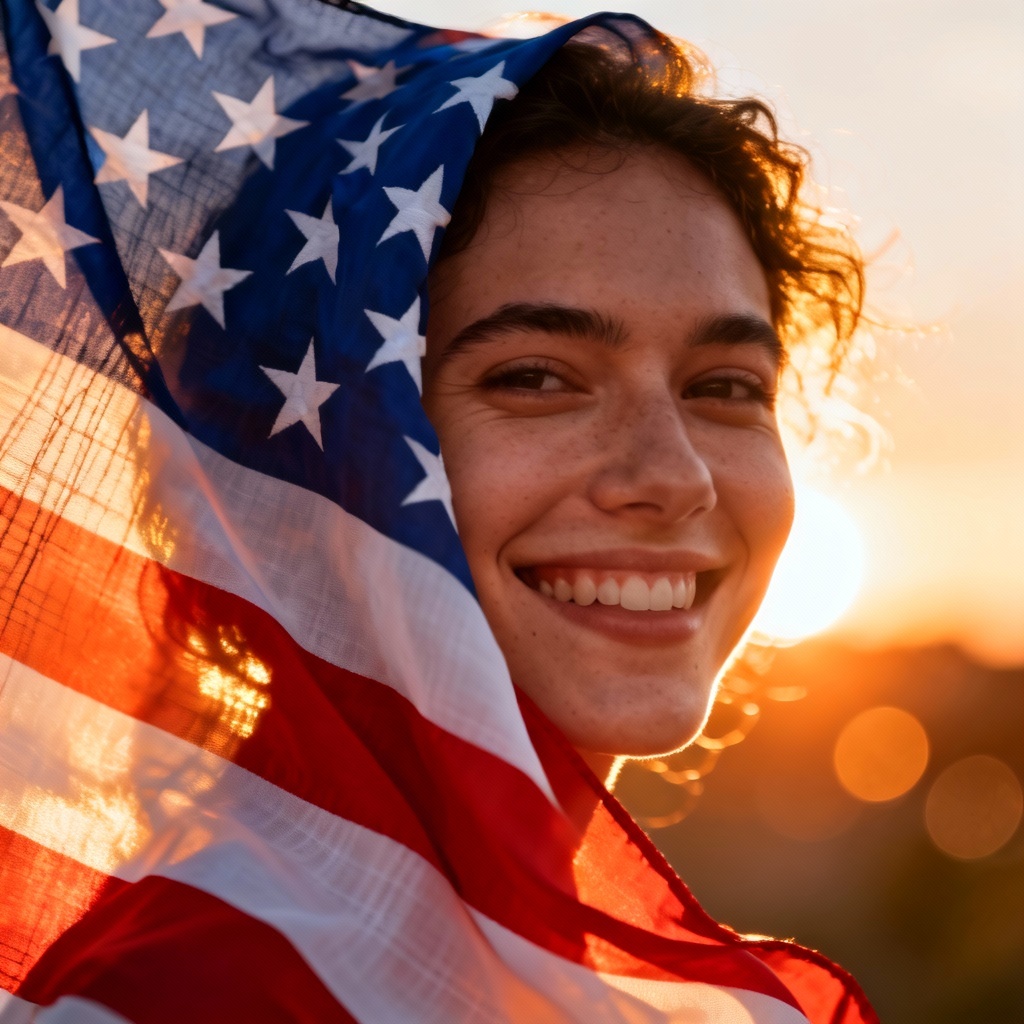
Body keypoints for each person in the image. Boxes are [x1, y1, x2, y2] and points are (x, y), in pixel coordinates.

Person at [0, 2, 875, 1022]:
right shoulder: (192, 992)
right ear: (295, 475)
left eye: (724, 385)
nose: (675, 475)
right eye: (537, 376)